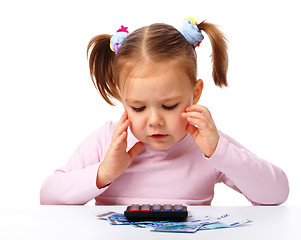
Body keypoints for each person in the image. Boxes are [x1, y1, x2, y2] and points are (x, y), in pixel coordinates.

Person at [40, 18, 289, 206]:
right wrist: (104, 173)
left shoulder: (206, 143)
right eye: (137, 107)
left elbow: (276, 194)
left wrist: (219, 151)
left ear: (195, 94)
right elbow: (48, 196)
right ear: (123, 99)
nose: (155, 121)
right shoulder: (108, 141)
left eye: (169, 106)